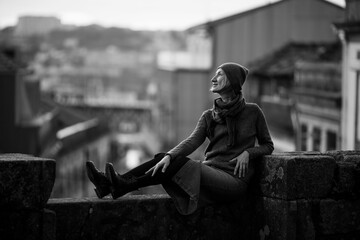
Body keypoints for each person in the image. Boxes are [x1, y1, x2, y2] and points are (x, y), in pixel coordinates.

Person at [86, 62, 274, 215]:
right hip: (211, 171)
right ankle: (112, 184)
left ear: (232, 81)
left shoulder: (253, 112)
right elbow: (192, 141)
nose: (213, 78)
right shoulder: (209, 116)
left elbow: (268, 145)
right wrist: (168, 155)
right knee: (164, 158)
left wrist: (248, 153)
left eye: (219, 75)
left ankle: (118, 185)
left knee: (181, 162)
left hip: (233, 181)